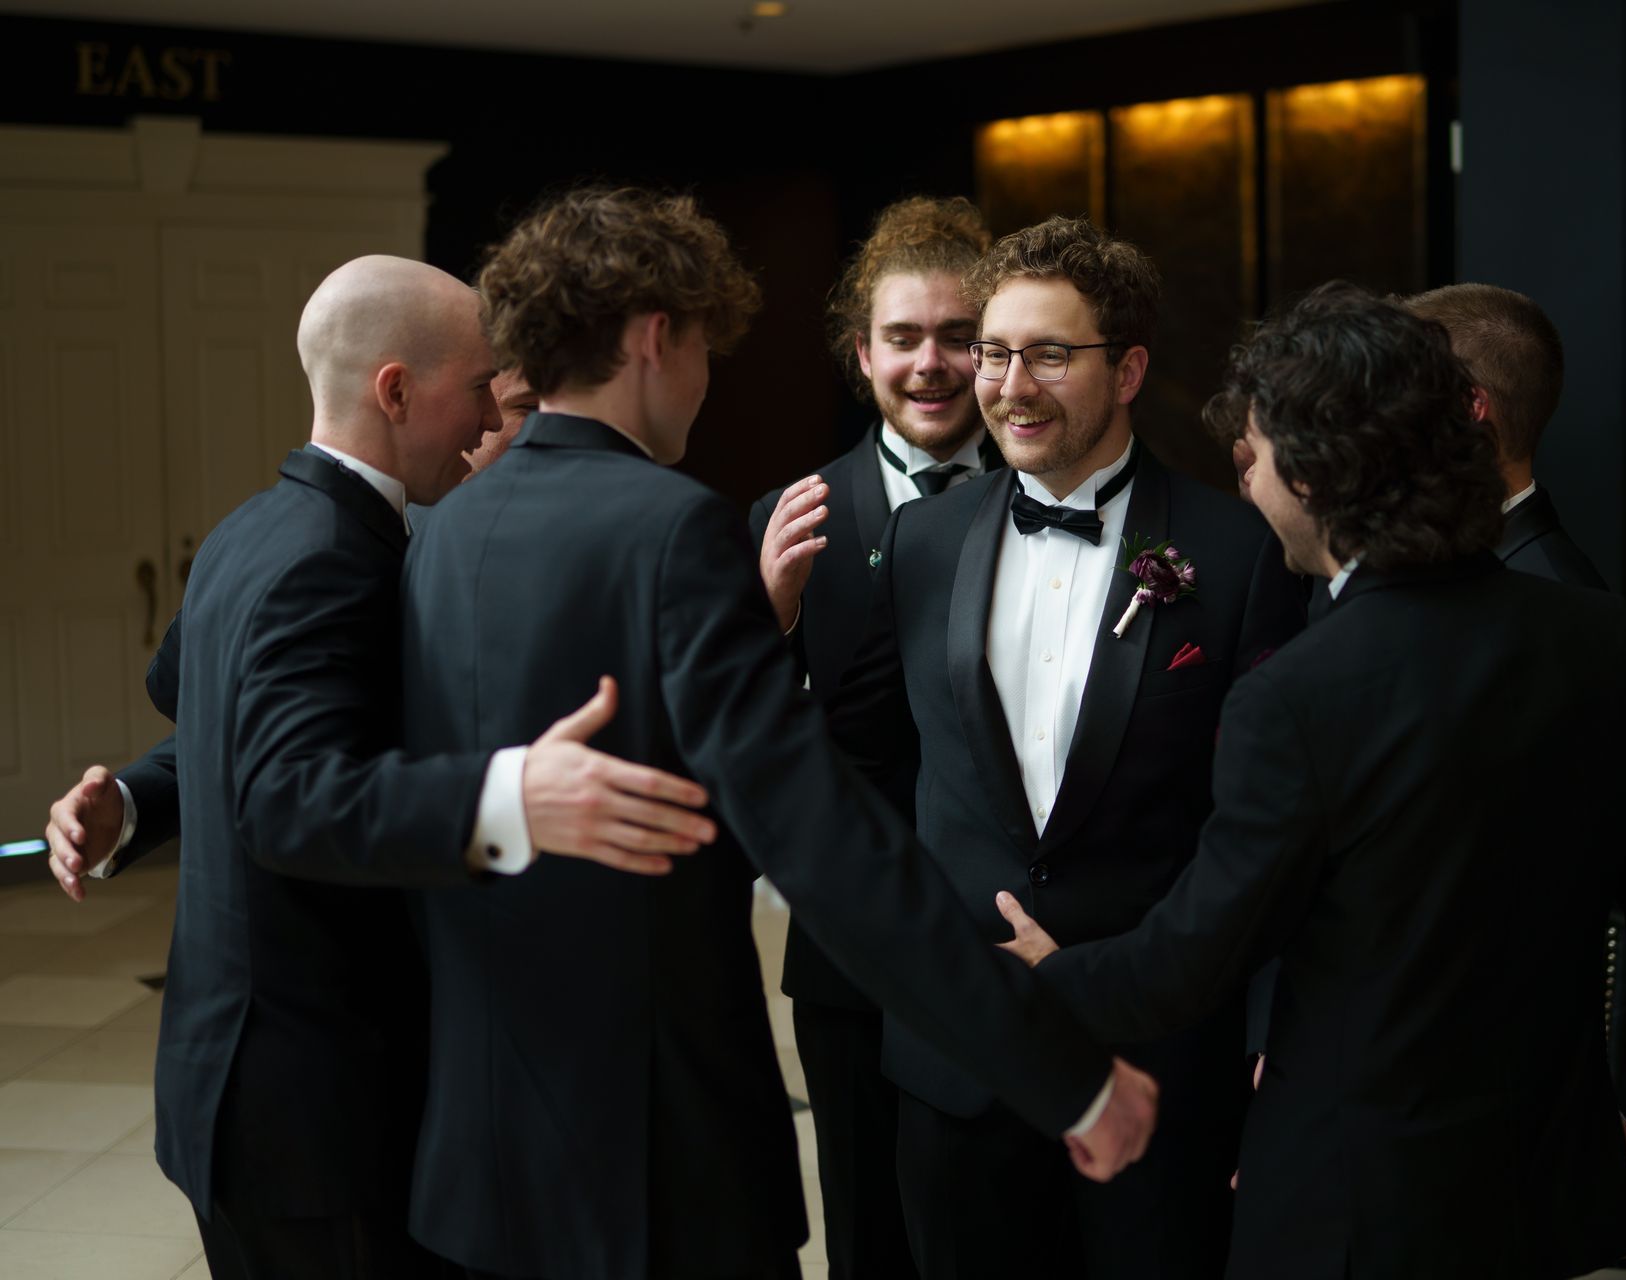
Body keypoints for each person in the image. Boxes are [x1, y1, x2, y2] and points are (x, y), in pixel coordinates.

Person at [399, 186, 1155, 1280]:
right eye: (705, 340)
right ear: (657, 337)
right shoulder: (673, 526)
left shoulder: (445, 524)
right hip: (653, 1135)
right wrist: (1059, 1070)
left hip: (484, 1125)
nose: (709, 376)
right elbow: (820, 836)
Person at [997, 282, 1626, 1280]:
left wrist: (1053, 972)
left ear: (1316, 472)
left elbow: (1191, 958)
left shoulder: (1300, 694)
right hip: (1549, 1182)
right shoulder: (1600, 637)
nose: (1247, 483)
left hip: (1358, 1201)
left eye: (1256, 455)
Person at [43, 255, 715, 1279]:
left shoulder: (246, 530)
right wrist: (508, 795)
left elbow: (220, 722)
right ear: (396, 389)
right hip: (311, 1113)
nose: (496, 412)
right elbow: (283, 791)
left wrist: (132, 801)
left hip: (232, 1089)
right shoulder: (332, 558)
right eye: (482, 381)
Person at [826, 215, 1307, 1280]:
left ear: (1128, 368)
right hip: (957, 1056)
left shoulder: (1235, 553)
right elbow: (876, 775)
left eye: (1049, 353)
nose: (1008, 384)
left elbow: (1265, 827)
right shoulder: (921, 541)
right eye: (996, 353)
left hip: (1158, 1051)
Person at [749, 194, 998, 1280]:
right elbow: (748, 755)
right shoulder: (787, 517)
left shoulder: (1055, 496)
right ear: (863, 353)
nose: (933, 364)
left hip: (1016, 938)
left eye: (960, 336)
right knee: (867, 1227)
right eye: (905, 338)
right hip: (853, 947)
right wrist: (776, 619)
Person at [1401, 282, 1605, 587]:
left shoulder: (1551, 594)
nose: (1383, 414)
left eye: (1402, 392)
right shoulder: (1439, 554)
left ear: (1468, 406)